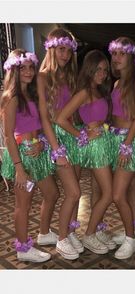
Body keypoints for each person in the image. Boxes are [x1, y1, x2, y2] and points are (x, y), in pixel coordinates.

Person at [0, 49, 59, 262]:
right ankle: (23, 249)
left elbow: (39, 126)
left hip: (38, 151)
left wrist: (43, 143)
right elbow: (8, 136)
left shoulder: (31, 94)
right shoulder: (12, 98)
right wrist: (19, 169)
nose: (28, 71)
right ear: (13, 70)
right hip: (22, 156)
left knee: (52, 193)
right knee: (23, 205)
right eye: (22, 67)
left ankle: (43, 234)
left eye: (30, 67)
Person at [56, 49, 116, 254]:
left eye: (105, 70)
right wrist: (82, 135)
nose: (102, 74)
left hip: (103, 143)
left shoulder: (100, 91)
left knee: (99, 191)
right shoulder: (84, 92)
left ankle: (94, 230)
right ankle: (89, 234)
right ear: (89, 69)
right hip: (95, 147)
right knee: (109, 193)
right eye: (97, 69)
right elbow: (61, 119)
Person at [37, 28, 84, 260]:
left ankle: (72, 230)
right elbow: (46, 117)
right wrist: (56, 149)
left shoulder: (70, 76)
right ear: (51, 49)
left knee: (76, 189)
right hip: (56, 138)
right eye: (61, 49)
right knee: (73, 193)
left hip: (73, 136)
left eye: (68, 50)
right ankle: (62, 238)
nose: (65, 54)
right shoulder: (43, 77)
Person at [108, 37, 135, 259]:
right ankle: (134, 229)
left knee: (117, 194)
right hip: (116, 139)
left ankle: (130, 239)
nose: (116, 58)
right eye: (114, 54)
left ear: (131, 57)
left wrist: (127, 145)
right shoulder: (116, 83)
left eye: (122, 54)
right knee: (130, 188)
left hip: (129, 141)